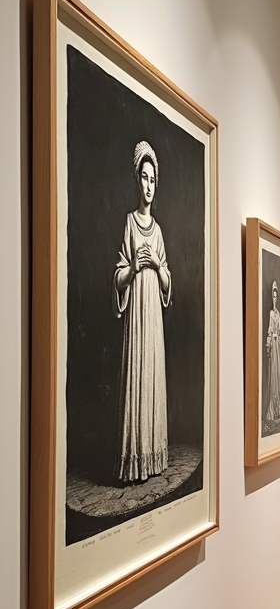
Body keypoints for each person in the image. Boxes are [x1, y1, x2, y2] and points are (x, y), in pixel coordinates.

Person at [114, 141, 172, 482]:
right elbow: (118, 277)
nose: (149, 186)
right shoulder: (129, 223)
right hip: (137, 314)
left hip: (154, 319)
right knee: (137, 373)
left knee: (152, 373)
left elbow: (168, 280)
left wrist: (156, 265)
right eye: (144, 179)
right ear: (137, 181)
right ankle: (134, 456)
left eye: (153, 180)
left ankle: (153, 456)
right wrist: (135, 265)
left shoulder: (159, 231)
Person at [264, 280, 280, 428]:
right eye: (274, 297)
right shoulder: (271, 314)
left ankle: (278, 408)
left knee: (277, 375)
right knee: (273, 377)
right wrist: (268, 344)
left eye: (277, 297)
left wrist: (279, 341)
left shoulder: (278, 315)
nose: (275, 299)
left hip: (278, 346)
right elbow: (270, 331)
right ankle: (272, 409)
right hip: (274, 346)